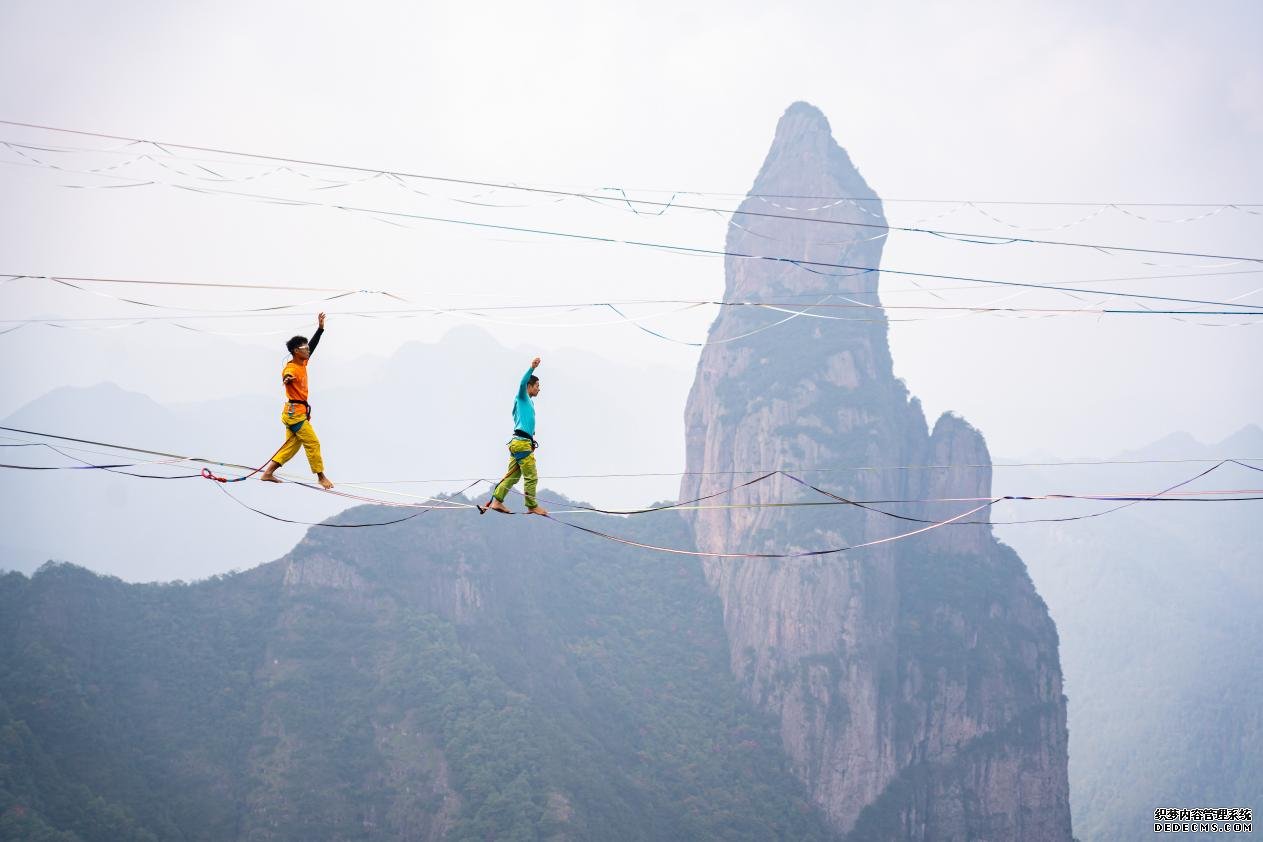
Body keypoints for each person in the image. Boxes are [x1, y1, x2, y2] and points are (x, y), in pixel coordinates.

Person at [259, 313, 334, 489]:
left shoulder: (303, 363)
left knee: (292, 446)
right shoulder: (291, 368)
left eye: (307, 348)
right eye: (304, 348)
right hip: (295, 415)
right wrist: (287, 379)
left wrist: (320, 329)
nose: (308, 350)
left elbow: (313, 346)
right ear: (295, 351)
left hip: (295, 412)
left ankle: (268, 473)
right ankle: (321, 476)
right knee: (313, 442)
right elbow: (287, 375)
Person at [480, 357, 547, 515]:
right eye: (537, 386)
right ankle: (531, 505)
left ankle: (496, 501)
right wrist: (532, 368)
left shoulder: (529, 402)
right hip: (521, 443)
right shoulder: (522, 397)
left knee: (512, 476)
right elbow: (521, 384)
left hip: (519, 443)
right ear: (529, 386)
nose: (539, 389)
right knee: (531, 476)